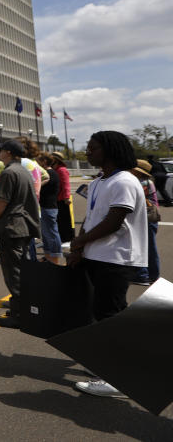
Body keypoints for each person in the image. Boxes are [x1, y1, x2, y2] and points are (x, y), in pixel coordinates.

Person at [70, 131, 147, 398]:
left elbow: (114, 223)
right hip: (97, 255)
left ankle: (118, 378)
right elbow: (91, 219)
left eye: (93, 148)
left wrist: (80, 244)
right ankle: (107, 365)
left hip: (115, 258)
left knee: (110, 316)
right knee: (100, 315)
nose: (87, 152)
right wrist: (79, 245)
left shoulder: (124, 181)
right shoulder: (100, 181)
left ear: (110, 150)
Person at [0, 140, 41, 329]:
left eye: (0, 150)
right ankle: (22, 308)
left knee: (13, 272)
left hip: (11, 226)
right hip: (23, 225)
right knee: (20, 269)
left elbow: (2, 202)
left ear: (7, 152)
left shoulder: (8, 172)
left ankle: (20, 314)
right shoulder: (24, 171)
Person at [131, 159, 160, 286]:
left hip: (145, 218)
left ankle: (143, 275)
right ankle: (152, 275)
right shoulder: (148, 182)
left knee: (144, 247)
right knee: (149, 246)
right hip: (150, 218)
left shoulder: (141, 182)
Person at [35, 153, 63, 263]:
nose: (36, 163)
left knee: (51, 233)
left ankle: (54, 258)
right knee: (46, 234)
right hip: (45, 207)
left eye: (38, 160)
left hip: (48, 207)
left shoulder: (50, 174)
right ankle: (48, 256)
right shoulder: (49, 173)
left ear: (44, 162)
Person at [50, 151, 75, 242]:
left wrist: (66, 197)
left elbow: (66, 184)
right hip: (57, 198)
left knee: (65, 220)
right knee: (59, 220)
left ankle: (67, 238)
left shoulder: (62, 170)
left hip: (63, 199)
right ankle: (62, 238)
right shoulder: (55, 169)